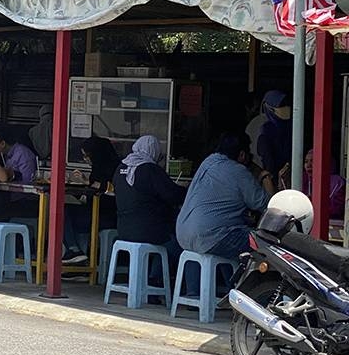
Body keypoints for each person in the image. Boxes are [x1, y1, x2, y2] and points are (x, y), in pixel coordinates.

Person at [177, 132, 273, 262]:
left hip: (183, 234)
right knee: (265, 243)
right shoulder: (239, 171)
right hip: (212, 236)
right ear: (242, 155)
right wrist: (265, 178)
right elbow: (266, 205)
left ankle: (225, 275)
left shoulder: (208, 162)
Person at [111, 135, 186, 275]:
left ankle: (152, 278)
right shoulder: (150, 169)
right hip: (150, 230)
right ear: (153, 151)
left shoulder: (120, 168)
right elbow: (173, 195)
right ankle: (156, 279)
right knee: (179, 246)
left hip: (124, 229)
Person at [62, 135, 119, 261]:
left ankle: (74, 250)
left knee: (65, 215)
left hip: (109, 217)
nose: (85, 159)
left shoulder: (116, 170)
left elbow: (110, 190)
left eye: (87, 155)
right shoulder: (97, 168)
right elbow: (89, 197)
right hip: (95, 212)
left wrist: (88, 183)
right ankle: (76, 252)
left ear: (97, 154)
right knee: (63, 211)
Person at [258, 90, 292, 185]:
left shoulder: (294, 127)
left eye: (286, 104)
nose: (285, 108)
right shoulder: (265, 132)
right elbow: (268, 163)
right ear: (269, 108)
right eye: (280, 105)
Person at [304, 148, 346, 221]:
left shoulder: (337, 182)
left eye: (313, 161)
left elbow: (337, 209)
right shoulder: (302, 180)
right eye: (306, 161)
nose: (308, 165)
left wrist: (313, 202)